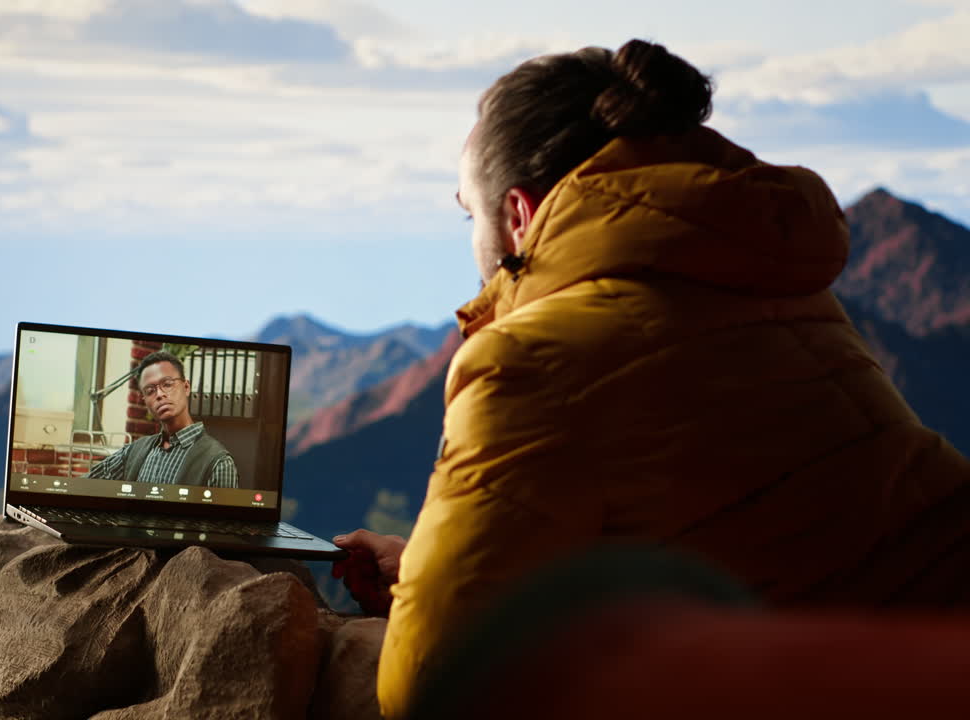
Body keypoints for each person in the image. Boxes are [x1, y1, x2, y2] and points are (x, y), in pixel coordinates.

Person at [331, 39, 970, 718]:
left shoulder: (527, 361)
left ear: (517, 216)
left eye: (469, 214)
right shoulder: (788, 296)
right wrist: (430, 565)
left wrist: (428, 607)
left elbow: (426, 685)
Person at [86, 350, 240, 488]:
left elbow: (224, 520)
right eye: (150, 390)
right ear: (145, 401)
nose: (159, 394)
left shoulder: (218, 462)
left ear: (186, 387)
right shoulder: (134, 451)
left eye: (167, 384)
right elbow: (84, 484)